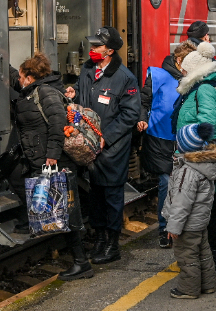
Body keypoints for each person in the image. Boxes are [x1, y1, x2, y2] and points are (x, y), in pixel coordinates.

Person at [64, 27, 140, 264]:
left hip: (111, 148)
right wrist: (72, 92)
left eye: (97, 46)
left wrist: (106, 137)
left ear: (109, 50)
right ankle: (99, 239)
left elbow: (130, 114)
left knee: (111, 195)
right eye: (93, 45)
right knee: (95, 195)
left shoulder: (125, 77)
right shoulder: (88, 69)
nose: (92, 49)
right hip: (89, 146)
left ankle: (112, 244)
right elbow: (82, 94)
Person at [14, 53, 93, 281]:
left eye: (20, 76)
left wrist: (51, 155)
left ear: (29, 77)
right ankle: (79, 260)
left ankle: (81, 263)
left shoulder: (45, 93)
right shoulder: (34, 92)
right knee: (62, 209)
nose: (18, 81)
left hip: (56, 161)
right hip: (41, 158)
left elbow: (58, 124)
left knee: (67, 210)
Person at [169, 42, 216, 275]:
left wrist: (192, 145)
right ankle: (214, 263)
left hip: (198, 158)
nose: (182, 73)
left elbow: (208, 124)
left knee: (207, 213)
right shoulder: (199, 90)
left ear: (193, 71)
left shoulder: (202, 91)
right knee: (205, 211)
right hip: (193, 155)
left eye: (185, 70)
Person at [138, 40, 197, 249]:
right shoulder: (157, 75)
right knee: (166, 182)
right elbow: (144, 101)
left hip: (185, 138)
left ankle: (181, 225)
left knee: (185, 184)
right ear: (179, 60)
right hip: (159, 138)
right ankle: (165, 229)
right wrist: (142, 118)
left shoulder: (194, 79)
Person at [163, 123, 216, 299]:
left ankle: (188, 289)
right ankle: (208, 285)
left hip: (187, 224)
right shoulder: (204, 166)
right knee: (203, 253)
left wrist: (173, 227)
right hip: (200, 220)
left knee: (187, 256)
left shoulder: (187, 171)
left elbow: (182, 202)